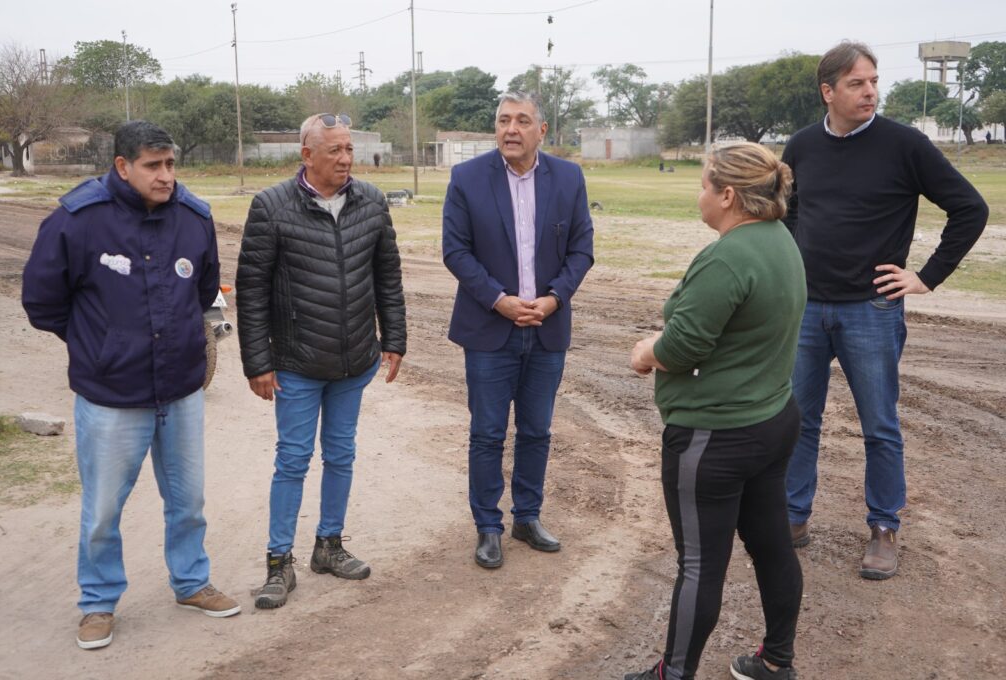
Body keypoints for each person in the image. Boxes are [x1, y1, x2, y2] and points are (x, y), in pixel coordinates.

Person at [22, 120, 241, 651]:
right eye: (152, 165)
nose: (166, 176)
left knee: (188, 500)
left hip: (181, 389)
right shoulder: (78, 220)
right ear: (122, 166)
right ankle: (98, 603)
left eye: (171, 164)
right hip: (111, 396)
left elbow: (204, 291)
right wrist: (100, 343)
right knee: (102, 510)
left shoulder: (194, 217)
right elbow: (42, 300)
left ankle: (191, 582)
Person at [782, 41, 988, 580]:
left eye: (873, 81)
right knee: (798, 420)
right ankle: (793, 517)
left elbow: (970, 208)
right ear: (828, 92)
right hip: (806, 309)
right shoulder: (801, 146)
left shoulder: (905, 145)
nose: (870, 91)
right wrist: (792, 265)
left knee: (879, 424)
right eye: (857, 83)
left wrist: (926, 276)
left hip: (871, 310)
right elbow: (788, 210)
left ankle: (883, 528)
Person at [626, 143, 807, 680]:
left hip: (716, 437)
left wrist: (645, 352)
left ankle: (673, 675)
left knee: (700, 565)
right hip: (772, 420)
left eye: (703, 184)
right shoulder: (780, 239)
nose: (699, 192)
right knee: (772, 546)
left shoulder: (727, 257)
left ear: (728, 196)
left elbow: (683, 346)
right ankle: (776, 661)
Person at [236, 112, 406, 609]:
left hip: (355, 359)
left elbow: (388, 276)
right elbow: (251, 290)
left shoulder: (371, 201)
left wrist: (394, 337)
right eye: (335, 150)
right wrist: (257, 362)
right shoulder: (271, 206)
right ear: (307, 155)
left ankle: (329, 546)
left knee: (341, 454)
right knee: (292, 460)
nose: (346, 158)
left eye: (349, 148)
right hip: (297, 362)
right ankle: (278, 563)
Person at [442, 91, 594, 569]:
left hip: (547, 328)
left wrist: (553, 298)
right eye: (504, 120)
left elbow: (582, 248)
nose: (511, 129)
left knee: (536, 431)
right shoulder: (467, 178)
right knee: (487, 433)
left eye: (522, 120)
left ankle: (527, 517)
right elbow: (455, 251)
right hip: (490, 330)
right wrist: (499, 300)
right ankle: (488, 527)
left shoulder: (568, 178)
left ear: (541, 130)